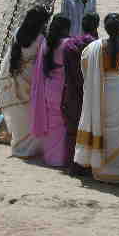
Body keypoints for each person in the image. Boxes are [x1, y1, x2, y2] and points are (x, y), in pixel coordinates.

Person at [74, 13, 119, 183]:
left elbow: (85, 71)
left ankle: (104, 171)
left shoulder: (93, 48)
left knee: (102, 130)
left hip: (100, 95)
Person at [0, 7, 50, 158]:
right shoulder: (40, 39)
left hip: (16, 76)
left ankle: (19, 143)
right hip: (31, 78)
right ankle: (30, 148)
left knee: (19, 113)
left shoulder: (18, 32)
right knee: (31, 113)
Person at [30, 14, 71, 167]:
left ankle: (50, 157)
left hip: (48, 87)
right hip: (62, 88)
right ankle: (60, 158)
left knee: (52, 123)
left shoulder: (46, 43)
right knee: (62, 124)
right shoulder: (67, 44)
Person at [62, 12, 100, 170]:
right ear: (96, 26)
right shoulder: (96, 47)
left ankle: (72, 163)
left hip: (71, 92)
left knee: (72, 129)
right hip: (89, 94)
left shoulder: (69, 44)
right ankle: (87, 164)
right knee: (89, 128)